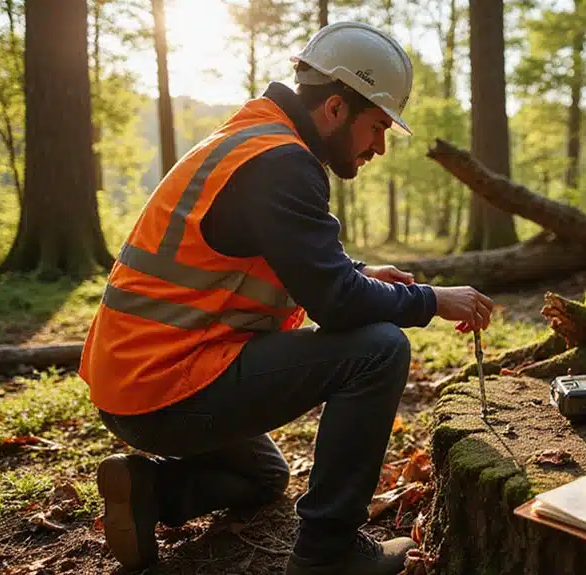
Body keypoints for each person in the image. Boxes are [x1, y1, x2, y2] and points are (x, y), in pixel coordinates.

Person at [79, 22, 493, 575]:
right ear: (337, 109)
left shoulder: (254, 139)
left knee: (265, 478)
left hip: (133, 383)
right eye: (377, 126)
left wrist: (363, 271)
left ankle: (151, 491)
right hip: (169, 388)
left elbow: (276, 256)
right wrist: (431, 299)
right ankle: (328, 553)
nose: (380, 146)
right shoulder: (281, 163)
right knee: (379, 349)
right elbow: (338, 304)